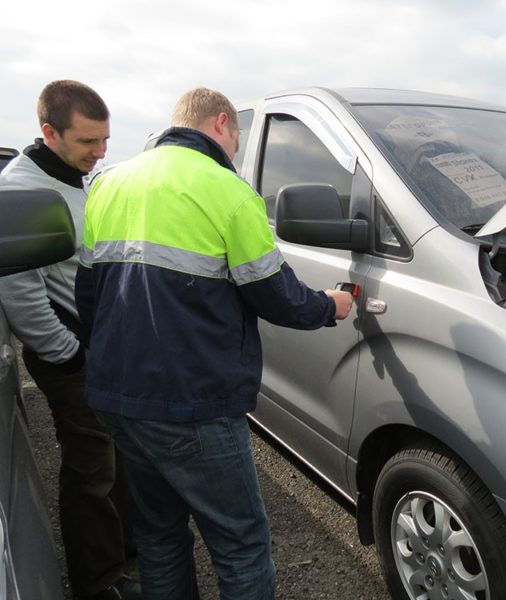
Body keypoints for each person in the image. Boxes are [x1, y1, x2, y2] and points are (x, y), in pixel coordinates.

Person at [75, 87, 354, 600]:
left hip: (119, 394)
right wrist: (330, 306)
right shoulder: (226, 189)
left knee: (159, 531)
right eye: (237, 138)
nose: (236, 148)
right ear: (222, 123)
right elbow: (278, 298)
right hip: (192, 402)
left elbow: (90, 295)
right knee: (241, 543)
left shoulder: (111, 183)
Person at [0, 80, 140, 600]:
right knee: (92, 467)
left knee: (119, 455)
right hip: (71, 355)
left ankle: (126, 555)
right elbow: (21, 292)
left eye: (104, 140)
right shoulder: (19, 192)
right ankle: (98, 583)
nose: (99, 152)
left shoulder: (78, 179)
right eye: (88, 142)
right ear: (49, 132)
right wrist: (69, 354)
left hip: (99, 347)